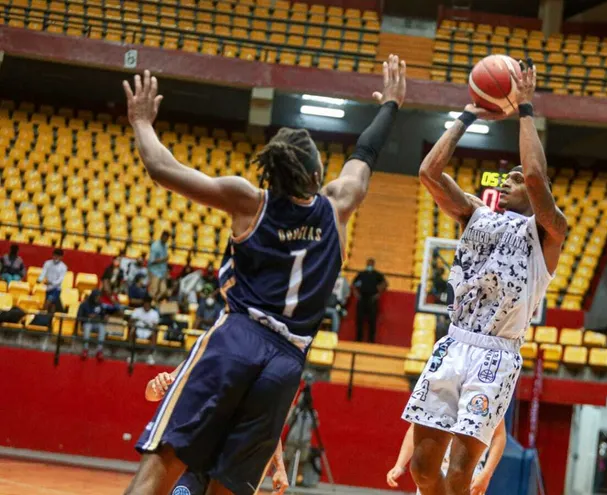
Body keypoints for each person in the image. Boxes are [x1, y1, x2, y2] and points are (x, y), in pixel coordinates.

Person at [123, 56, 405, 495]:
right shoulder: (338, 205)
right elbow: (364, 154)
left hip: (237, 339)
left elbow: (164, 169)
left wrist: (142, 122)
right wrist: (390, 104)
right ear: (315, 174)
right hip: (287, 362)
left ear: (269, 172)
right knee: (228, 486)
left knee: (164, 465)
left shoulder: (250, 201)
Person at [404, 61, 565, 495]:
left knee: (460, 473)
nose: (512, 178)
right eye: (507, 176)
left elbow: (534, 175)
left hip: (496, 355)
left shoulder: (550, 231)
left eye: (519, 179)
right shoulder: (475, 213)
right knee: (422, 469)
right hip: (454, 341)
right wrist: (469, 114)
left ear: (538, 197)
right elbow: (428, 174)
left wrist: (526, 107)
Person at [144, 370, 289, 495]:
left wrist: (280, 468)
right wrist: (157, 385)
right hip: (193, 460)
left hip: (229, 464)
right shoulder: (208, 352)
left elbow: (267, 424)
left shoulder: (261, 374)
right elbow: (151, 394)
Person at [387, 419, 507, 495]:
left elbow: (499, 436)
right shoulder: (438, 386)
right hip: (433, 469)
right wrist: (399, 465)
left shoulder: (483, 389)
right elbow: (414, 428)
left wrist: (486, 473)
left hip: (469, 471)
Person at [353, 258, 387, 342]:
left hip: (372, 299)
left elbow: (385, 284)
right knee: (359, 320)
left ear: (373, 265)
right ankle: (358, 339)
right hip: (362, 298)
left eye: (371, 264)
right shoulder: (361, 274)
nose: (369, 265)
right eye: (368, 264)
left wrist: (378, 294)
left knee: (372, 321)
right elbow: (354, 284)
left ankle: (371, 340)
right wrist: (356, 294)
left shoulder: (377, 275)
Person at [131, 296, 161, 365]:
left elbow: (156, 325)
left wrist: (152, 326)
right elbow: (131, 321)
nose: (146, 305)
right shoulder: (137, 310)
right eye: (145, 304)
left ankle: (150, 356)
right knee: (133, 331)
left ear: (150, 304)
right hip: (138, 329)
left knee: (154, 334)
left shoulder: (154, 313)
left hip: (148, 331)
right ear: (143, 304)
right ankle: (133, 354)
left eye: (148, 304)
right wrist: (135, 320)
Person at [79, 289, 107, 361]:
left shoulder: (100, 304)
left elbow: (103, 315)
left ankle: (99, 351)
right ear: (93, 296)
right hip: (87, 323)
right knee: (88, 326)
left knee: (102, 327)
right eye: (97, 297)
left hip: (96, 323)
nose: (98, 299)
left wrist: (105, 318)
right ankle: (85, 349)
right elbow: (79, 316)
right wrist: (88, 316)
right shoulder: (84, 304)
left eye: (99, 297)